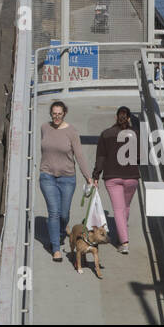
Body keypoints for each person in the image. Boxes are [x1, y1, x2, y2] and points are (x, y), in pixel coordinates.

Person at [39, 101, 93, 262]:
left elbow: (79, 156)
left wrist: (87, 176)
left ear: (64, 114)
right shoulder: (44, 128)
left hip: (67, 178)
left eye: (59, 114)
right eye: (54, 113)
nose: (56, 116)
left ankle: (62, 229)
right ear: (51, 113)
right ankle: (55, 247)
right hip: (47, 175)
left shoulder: (71, 132)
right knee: (54, 212)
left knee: (64, 213)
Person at [92, 106, 141, 254]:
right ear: (129, 118)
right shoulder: (136, 134)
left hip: (112, 177)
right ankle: (123, 236)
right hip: (131, 176)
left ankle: (124, 242)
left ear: (116, 117)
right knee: (125, 207)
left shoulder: (106, 134)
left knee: (119, 209)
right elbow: (140, 156)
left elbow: (101, 157)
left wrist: (96, 175)